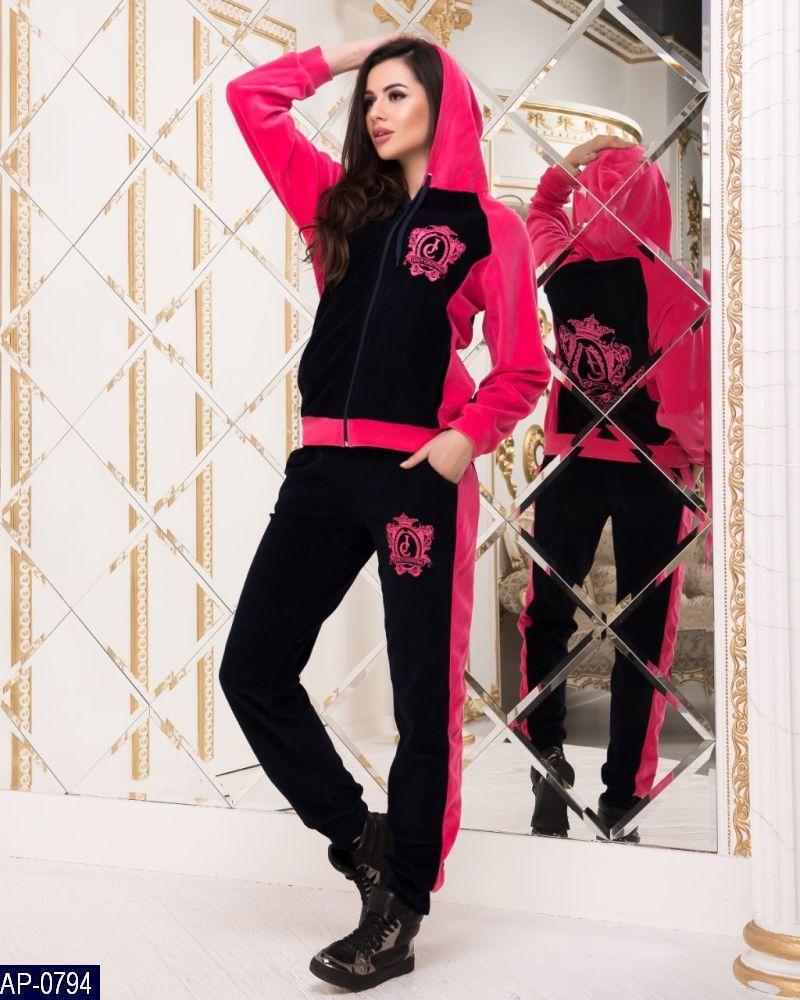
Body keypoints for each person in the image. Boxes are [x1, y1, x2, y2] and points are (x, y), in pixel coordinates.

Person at [221, 32, 549, 989]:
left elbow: (522, 368)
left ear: (442, 103)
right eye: (368, 98)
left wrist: (464, 440)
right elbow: (251, 99)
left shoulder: (488, 225)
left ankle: (400, 907)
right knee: (253, 669)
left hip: (416, 477)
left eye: (396, 92)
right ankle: (360, 836)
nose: (375, 111)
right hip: (321, 472)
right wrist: (356, 51)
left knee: (420, 699)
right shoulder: (338, 205)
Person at [514, 136, 710, 841]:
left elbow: (541, 212)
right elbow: (687, 406)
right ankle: (624, 796)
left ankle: (545, 756)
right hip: (651, 470)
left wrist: (563, 172)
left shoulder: (561, 265)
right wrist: (702, 467)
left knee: (546, 615)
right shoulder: (674, 286)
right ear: (655, 202)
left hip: (569, 463)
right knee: (643, 636)